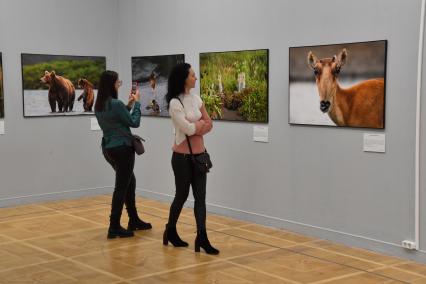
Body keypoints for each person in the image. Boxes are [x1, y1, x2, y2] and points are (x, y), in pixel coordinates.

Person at [164, 63, 219, 255]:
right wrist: (200, 125)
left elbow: (210, 123)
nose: (196, 78)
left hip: (200, 156)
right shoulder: (174, 103)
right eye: (193, 75)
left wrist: (197, 125)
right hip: (181, 158)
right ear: (184, 78)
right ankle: (170, 230)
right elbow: (187, 129)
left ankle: (202, 238)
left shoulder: (197, 99)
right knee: (181, 195)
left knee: (201, 198)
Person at [94, 70, 152, 239]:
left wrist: (128, 105)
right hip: (123, 149)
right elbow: (134, 122)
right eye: (118, 81)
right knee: (121, 187)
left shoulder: (100, 105)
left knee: (129, 182)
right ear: (111, 85)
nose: (119, 83)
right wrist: (138, 104)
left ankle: (133, 220)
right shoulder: (115, 104)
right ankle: (114, 227)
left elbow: (117, 119)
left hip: (108, 149)